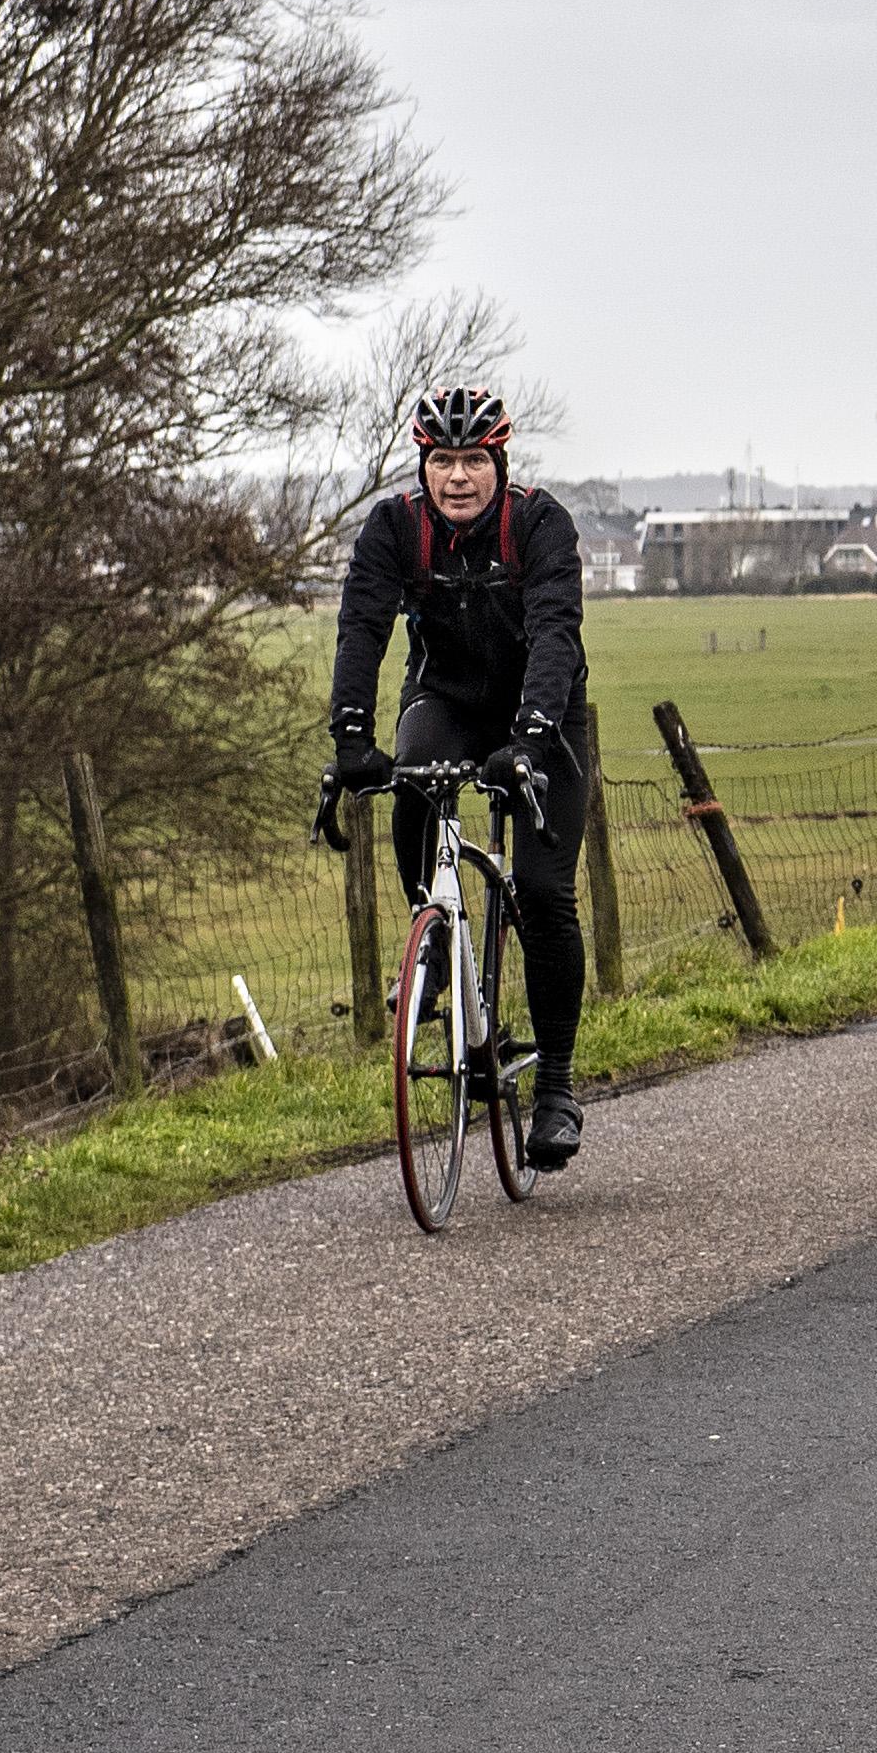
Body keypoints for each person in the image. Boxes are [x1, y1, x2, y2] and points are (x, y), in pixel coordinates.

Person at [323, 383, 596, 1170]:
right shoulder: (395, 528)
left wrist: (531, 738)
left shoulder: (539, 524)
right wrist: (351, 737)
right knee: (413, 774)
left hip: (542, 714)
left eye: (474, 459)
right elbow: (361, 628)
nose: (457, 477)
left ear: (499, 463)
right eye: (442, 460)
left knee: (543, 893)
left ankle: (556, 1089)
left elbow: (556, 634)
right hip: (445, 699)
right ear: (424, 466)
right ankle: (432, 936)